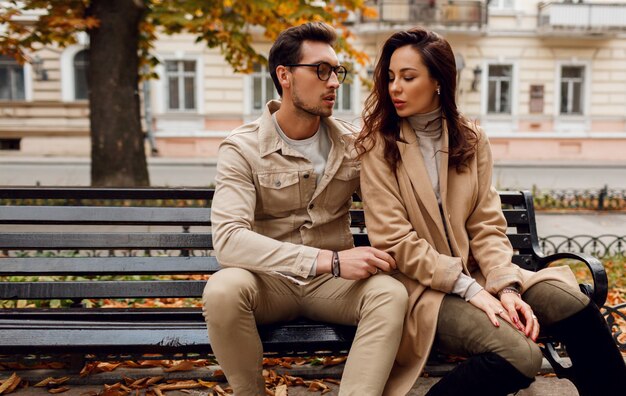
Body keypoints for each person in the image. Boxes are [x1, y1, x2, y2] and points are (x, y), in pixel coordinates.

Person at [356, 27, 626, 396]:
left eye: (408, 77)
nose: (395, 88)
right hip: (424, 289)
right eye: (390, 78)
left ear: (438, 82)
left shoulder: (470, 137)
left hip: (484, 275)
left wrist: (506, 287)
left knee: (574, 305)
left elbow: (487, 224)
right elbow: (395, 241)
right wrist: (469, 289)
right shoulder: (378, 144)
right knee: (520, 355)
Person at [202, 22, 408, 395]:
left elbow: (398, 200)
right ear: (285, 76)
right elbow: (229, 242)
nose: (333, 82)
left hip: (333, 287)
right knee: (222, 290)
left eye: (336, 71)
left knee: (389, 294)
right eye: (321, 70)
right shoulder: (241, 148)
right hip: (269, 281)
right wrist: (328, 260)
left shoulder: (353, 143)